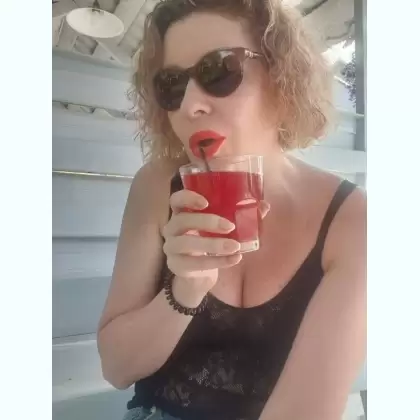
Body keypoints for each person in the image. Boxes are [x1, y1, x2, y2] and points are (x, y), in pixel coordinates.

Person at [97, 1, 367, 419]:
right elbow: (117, 368)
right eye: (172, 85)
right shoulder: (157, 187)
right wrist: (185, 290)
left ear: (281, 76)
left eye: (219, 71)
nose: (190, 106)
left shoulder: (354, 221)